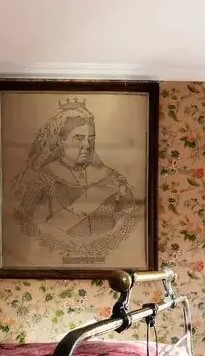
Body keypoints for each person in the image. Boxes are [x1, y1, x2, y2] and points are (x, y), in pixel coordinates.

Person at [12, 97, 137, 260]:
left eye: (91, 139)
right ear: (60, 141)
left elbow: (128, 220)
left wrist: (124, 198)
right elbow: (31, 226)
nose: (87, 145)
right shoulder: (41, 178)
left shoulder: (111, 177)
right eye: (78, 138)